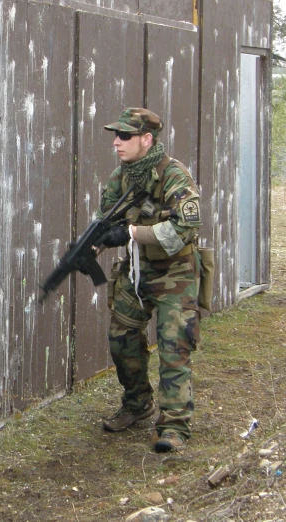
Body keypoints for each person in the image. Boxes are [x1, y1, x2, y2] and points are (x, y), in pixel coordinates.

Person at [94, 108, 202, 453]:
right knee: (121, 340)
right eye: (116, 135)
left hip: (176, 275)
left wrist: (130, 232)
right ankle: (138, 404)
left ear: (147, 139)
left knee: (174, 348)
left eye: (124, 136)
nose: (116, 142)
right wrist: (92, 245)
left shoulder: (173, 175)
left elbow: (185, 229)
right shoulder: (121, 177)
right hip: (137, 271)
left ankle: (174, 426)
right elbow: (106, 220)